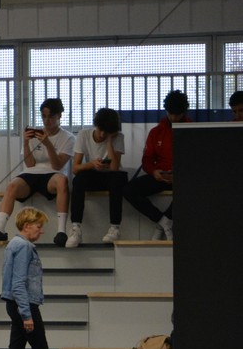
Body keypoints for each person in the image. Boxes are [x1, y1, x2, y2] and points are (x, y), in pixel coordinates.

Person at [0, 98, 73, 248]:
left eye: (51, 116)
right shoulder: (34, 135)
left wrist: (48, 144)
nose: (47, 121)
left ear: (59, 116)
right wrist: (25, 142)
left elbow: (57, 165)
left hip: (52, 174)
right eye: (44, 116)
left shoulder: (68, 138)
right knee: (12, 185)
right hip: (32, 173)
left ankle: (61, 231)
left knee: (62, 181)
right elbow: (30, 164)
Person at [124, 89, 187, 240]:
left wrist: (180, 174)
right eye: (170, 114)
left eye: (177, 115)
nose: (173, 118)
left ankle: (164, 223)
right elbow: (146, 160)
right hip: (160, 176)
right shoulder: (156, 132)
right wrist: (154, 172)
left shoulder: (192, 130)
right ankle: (162, 220)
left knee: (193, 187)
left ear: (184, 112)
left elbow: (198, 161)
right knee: (128, 189)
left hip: (183, 178)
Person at [66, 107, 128, 246]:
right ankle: (75, 228)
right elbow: (75, 168)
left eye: (107, 132)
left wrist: (110, 141)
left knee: (117, 180)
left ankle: (115, 228)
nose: (102, 134)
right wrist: (92, 164)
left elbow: (114, 167)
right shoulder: (84, 134)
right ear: (96, 125)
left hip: (111, 176)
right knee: (78, 180)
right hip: (93, 174)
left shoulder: (118, 137)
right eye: (100, 129)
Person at [1, 207, 50, 349]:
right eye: (38, 226)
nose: (41, 231)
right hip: (24, 304)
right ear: (27, 226)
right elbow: (18, 283)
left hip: (15, 303)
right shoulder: (24, 246)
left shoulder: (13, 244)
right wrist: (26, 315)